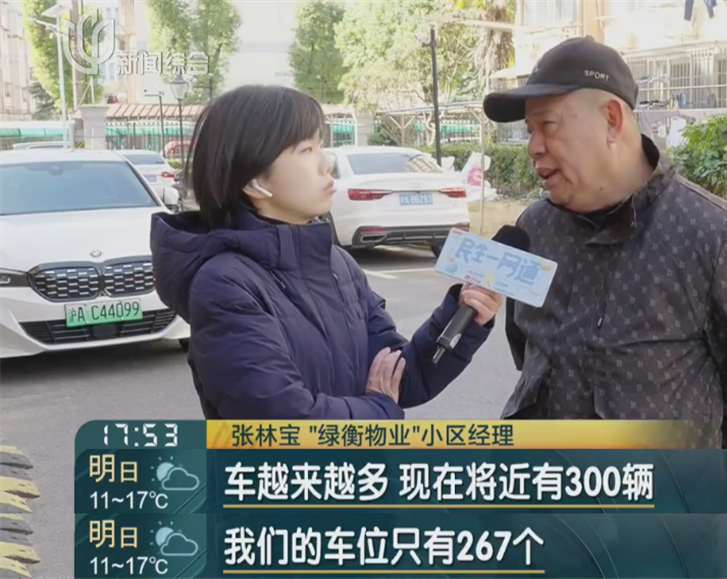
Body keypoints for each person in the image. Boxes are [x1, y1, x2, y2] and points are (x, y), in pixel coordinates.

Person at [482, 37, 727, 448]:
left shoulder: (715, 237)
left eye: (548, 125)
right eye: (529, 131)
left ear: (612, 120)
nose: (533, 147)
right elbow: (527, 351)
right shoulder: (535, 228)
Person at [150, 85, 502, 420]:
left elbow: (400, 376)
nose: (326, 164)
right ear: (253, 181)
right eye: (306, 150)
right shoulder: (224, 286)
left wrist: (463, 317)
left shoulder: (338, 265)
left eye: (320, 146)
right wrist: (379, 412)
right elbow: (285, 422)